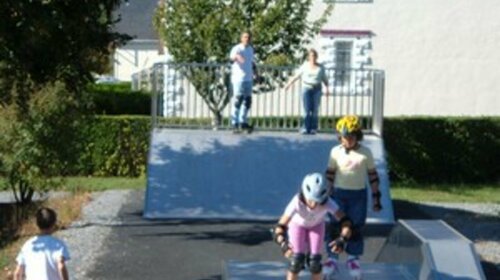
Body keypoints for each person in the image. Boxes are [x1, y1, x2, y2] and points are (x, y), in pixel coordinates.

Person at [323, 115, 382, 280]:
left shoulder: (366, 153)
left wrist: (376, 197)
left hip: (358, 195)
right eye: (344, 137)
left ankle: (353, 258)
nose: (347, 140)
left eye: (351, 137)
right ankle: (332, 258)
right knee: (335, 225)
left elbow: (372, 176)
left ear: (358, 136)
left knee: (355, 225)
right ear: (339, 137)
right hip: (338, 194)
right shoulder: (335, 152)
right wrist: (327, 192)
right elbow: (330, 173)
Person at [272, 173, 353, 280]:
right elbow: (280, 226)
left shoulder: (327, 202)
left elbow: (346, 222)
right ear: (304, 194)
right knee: (296, 262)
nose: (314, 204)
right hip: (297, 226)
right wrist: (283, 243)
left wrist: (342, 239)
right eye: (310, 200)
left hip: (316, 227)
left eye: (317, 201)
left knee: (315, 263)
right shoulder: (297, 202)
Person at [14, 207, 70, 280]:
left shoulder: (28, 245)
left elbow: (18, 273)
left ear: (37, 224)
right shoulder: (58, 245)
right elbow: (61, 266)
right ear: (53, 224)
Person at [285, 49, 329, 135]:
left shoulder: (321, 67)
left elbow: (325, 79)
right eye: (311, 56)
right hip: (306, 88)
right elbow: (297, 75)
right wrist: (289, 84)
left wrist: (327, 88)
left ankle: (313, 128)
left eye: (314, 56)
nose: (313, 57)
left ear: (317, 57)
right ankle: (305, 128)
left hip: (317, 89)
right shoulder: (305, 66)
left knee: (315, 109)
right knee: (306, 109)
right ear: (308, 57)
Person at [229, 31, 258, 133]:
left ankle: (243, 122)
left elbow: (251, 62)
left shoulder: (250, 49)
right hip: (238, 79)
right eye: (245, 37)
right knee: (238, 100)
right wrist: (237, 57)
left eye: (248, 37)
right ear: (241, 38)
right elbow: (231, 59)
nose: (247, 39)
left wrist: (256, 74)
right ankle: (234, 123)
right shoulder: (237, 48)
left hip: (248, 78)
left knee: (247, 101)